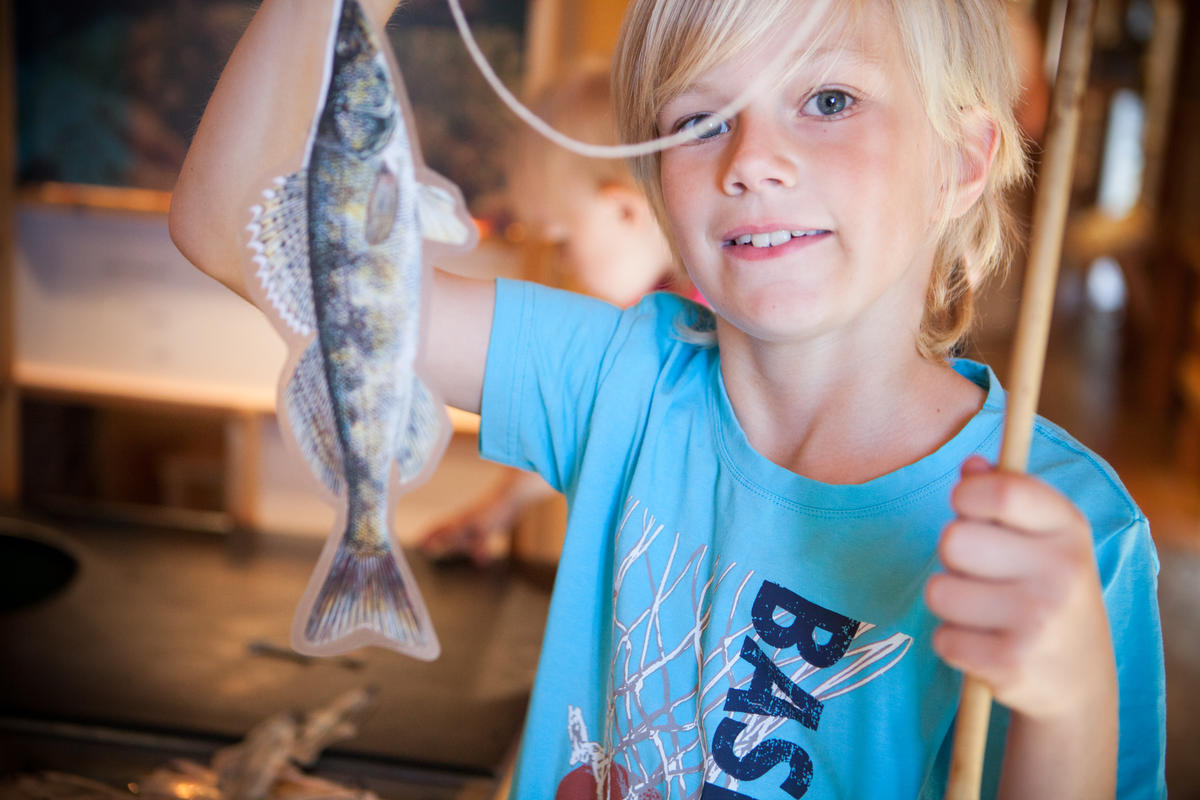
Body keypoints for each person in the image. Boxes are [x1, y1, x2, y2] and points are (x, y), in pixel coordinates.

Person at [169, 0, 1166, 797]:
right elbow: (231, 227)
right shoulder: (619, 378)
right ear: (655, 185)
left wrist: (1070, 704)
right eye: (699, 120)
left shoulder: (1073, 533)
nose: (751, 160)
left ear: (962, 161)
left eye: (829, 99)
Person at [420, 68, 686, 566]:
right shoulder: (648, 322)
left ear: (624, 212)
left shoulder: (699, 332)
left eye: (562, 239)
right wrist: (496, 509)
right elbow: (592, 421)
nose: (564, 262)